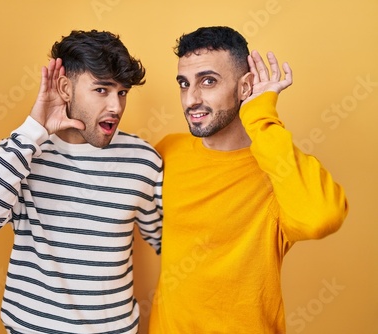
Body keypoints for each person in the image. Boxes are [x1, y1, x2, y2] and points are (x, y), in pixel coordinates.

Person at [0, 30, 163, 334]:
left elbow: (169, 240)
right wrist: (32, 132)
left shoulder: (142, 160)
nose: (116, 107)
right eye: (102, 90)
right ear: (65, 87)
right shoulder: (22, 152)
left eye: (122, 92)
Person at [148, 26, 348, 333]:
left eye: (208, 81)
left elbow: (321, 217)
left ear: (246, 87)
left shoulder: (275, 168)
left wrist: (260, 115)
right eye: (184, 84)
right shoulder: (169, 150)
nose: (191, 99)